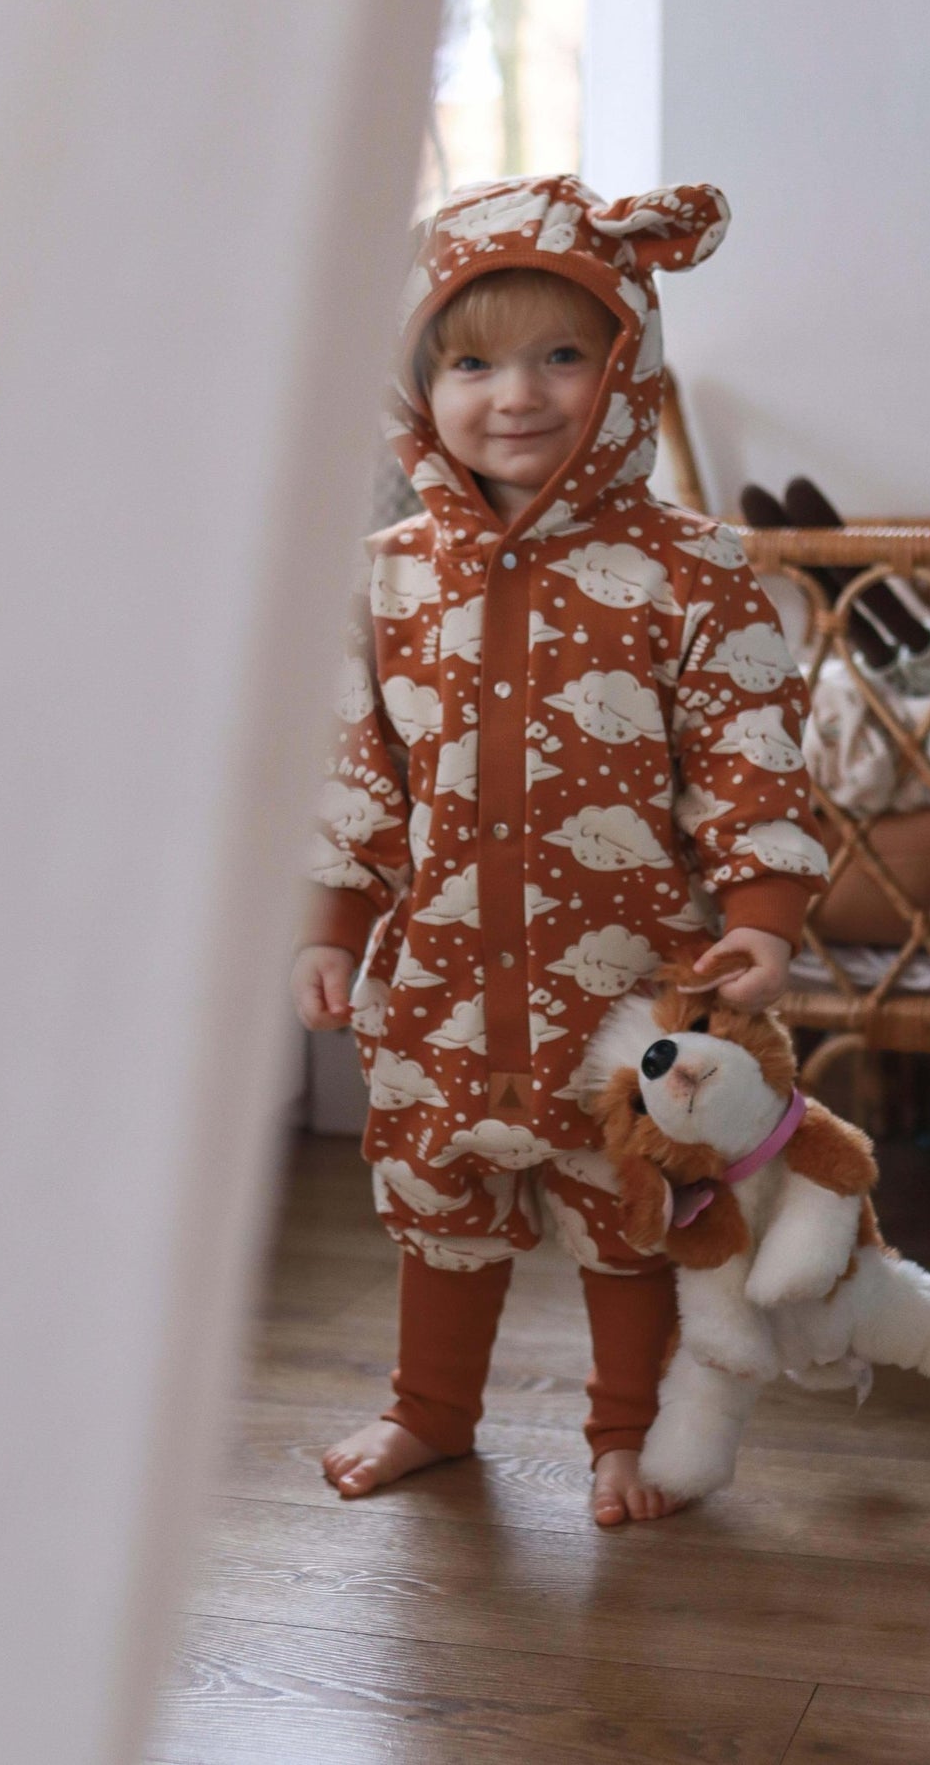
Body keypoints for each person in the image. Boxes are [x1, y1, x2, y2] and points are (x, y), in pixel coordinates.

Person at [291, 174, 828, 1526]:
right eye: (471, 360)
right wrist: (329, 921)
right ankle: (429, 1408)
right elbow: (358, 767)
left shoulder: (691, 569)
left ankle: (624, 1431)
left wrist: (760, 906)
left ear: (629, 360)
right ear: (422, 387)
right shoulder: (389, 576)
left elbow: (751, 744)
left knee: (627, 1203)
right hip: (442, 979)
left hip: (627, 978)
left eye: (563, 353)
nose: (515, 392)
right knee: (436, 1187)